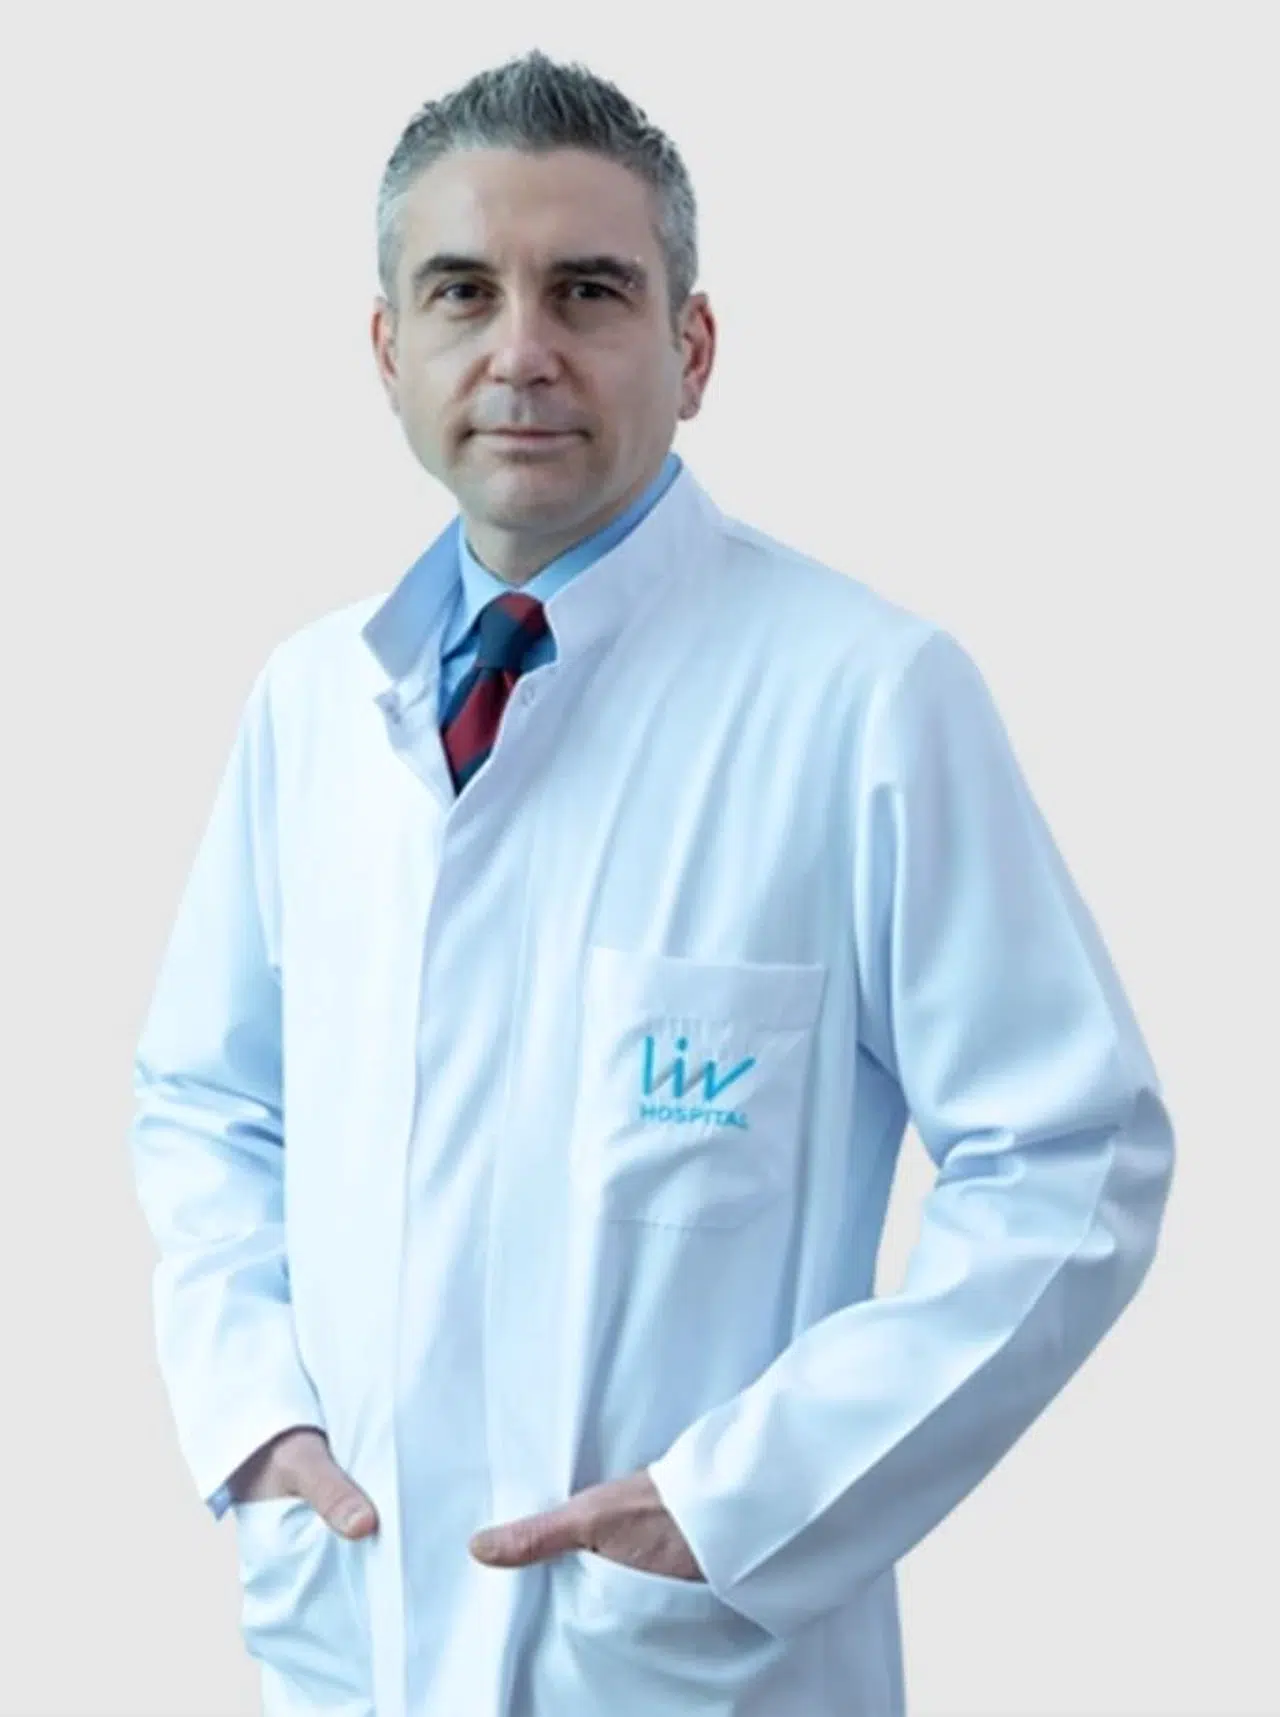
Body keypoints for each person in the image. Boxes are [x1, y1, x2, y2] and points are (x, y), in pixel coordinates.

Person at [129, 47, 1176, 1717]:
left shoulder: (866, 698)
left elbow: (1072, 1157)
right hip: (351, 1635)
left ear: (691, 350)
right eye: (462, 293)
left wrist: (748, 1503)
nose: (521, 351)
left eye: (589, 291)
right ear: (389, 351)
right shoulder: (312, 705)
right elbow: (206, 1102)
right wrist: (256, 1421)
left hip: (682, 1659)